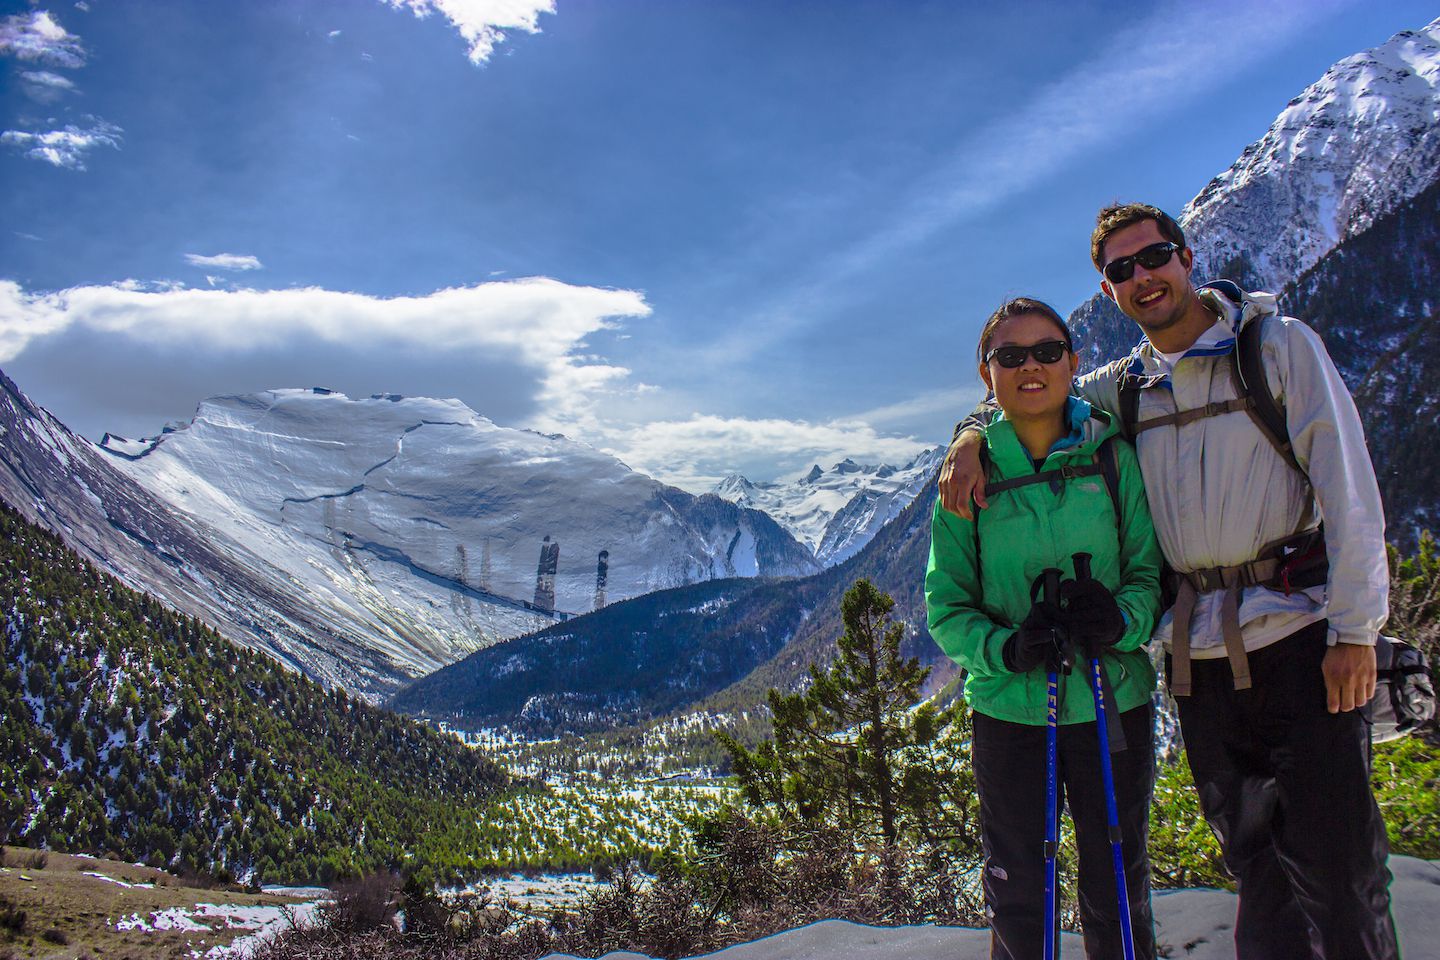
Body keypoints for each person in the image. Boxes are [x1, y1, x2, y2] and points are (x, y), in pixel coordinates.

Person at [939, 203, 1399, 959]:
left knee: (1339, 867)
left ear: (1186, 257)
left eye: (1153, 257)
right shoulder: (1127, 388)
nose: (1142, 276)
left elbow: (1350, 493)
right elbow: (1028, 394)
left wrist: (1355, 632)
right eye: (1122, 268)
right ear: (1109, 288)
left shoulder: (1276, 349)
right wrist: (966, 437)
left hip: (1301, 639)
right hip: (1204, 663)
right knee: (1257, 865)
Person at [926, 296, 1163, 959]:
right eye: (1011, 355)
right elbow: (946, 605)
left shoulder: (1112, 455)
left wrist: (1121, 619)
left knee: (1118, 884)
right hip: (1010, 712)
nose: (1030, 366)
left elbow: (1149, 574)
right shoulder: (966, 477)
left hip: (1112, 702)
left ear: (1073, 362)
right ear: (988, 374)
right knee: (1018, 890)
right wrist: (1005, 648)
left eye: (1047, 351)